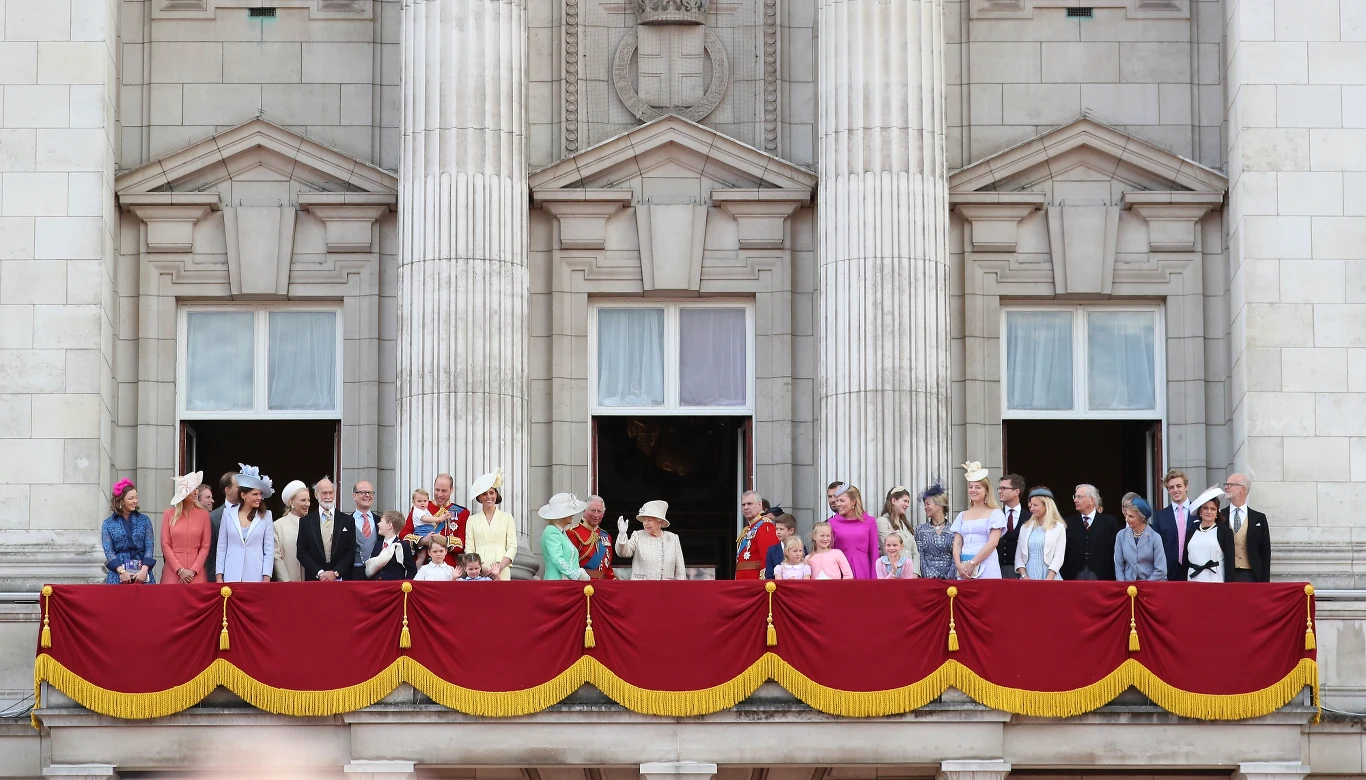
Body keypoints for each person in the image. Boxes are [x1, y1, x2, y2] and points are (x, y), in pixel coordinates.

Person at [215, 465, 274, 583]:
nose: (259, 498)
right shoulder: (228, 514)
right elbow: (222, 547)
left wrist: (267, 576)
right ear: (243, 495)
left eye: (260, 494)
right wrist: (219, 576)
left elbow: (269, 549)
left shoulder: (266, 515)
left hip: (256, 574)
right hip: (231, 573)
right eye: (255, 494)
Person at [950, 462, 1006, 579]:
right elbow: (957, 543)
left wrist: (973, 563)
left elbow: (992, 543)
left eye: (978, 487)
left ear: (986, 490)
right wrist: (958, 564)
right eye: (971, 487)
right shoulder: (962, 515)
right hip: (964, 568)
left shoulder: (995, 513)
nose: (973, 490)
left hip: (987, 565)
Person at [296, 477, 357, 582]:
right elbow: (302, 552)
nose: (328, 496)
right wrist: (320, 573)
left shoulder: (348, 520)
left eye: (331, 492)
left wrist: (336, 572)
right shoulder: (306, 522)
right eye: (324, 493)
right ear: (316, 495)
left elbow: (351, 551)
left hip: (341, 580)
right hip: (315, 579)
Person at [1062, 484, 1122, 580]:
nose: (1075, 500)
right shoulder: (1068, 523)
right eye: (1075, 496)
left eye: (1079, 497)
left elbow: (1116, 552)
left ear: (1091, 500)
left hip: (1102, 576)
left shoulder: (1110, 522)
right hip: (1074, 576)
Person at [466, 468, 518, 580]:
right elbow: (469, 549)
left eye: (491, 492)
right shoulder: (472, 520)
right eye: (484, 494)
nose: (488, 497)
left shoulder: (507, 517)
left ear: (496, 494)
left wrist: (500, 567)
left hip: (502, 569)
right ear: (479, 497)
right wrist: (480, 568)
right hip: (479, 572)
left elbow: (512, 546)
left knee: (502, 597)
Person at [614, 500, 687, 580]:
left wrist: (680, 589)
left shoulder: (673, 538)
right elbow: (623, 553)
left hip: (667, 589)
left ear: (660, 522)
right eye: (644, 520)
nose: (645, 523)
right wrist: (622, 535)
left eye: (649, 520)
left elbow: (680, 571)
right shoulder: (638, 535)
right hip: (642, 588)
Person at [103, 479, 156, 584]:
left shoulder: (145, 520)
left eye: (136, 497)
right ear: (121, 501)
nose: (135, 501)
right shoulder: (108, 523)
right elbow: (109, 551)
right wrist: (121, 572)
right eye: (131, 498)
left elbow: (149, 548)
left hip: (142, 572)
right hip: (118, 574)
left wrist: (144, 570)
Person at [161, 471, 210, 584]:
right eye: (192, 489)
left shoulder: (204, 515)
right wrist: (180, 570)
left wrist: (193, 570)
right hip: (173, 572)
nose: (196, 492)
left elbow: (205, 546)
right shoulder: (168, 514)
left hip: (196, 573)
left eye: (196, 489)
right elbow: (165, 545)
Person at [400, 474, 468, 555]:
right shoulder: (419, 508)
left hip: (447, 563)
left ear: (451, 490)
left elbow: (463, 543)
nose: (439, 494)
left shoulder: (462, 513)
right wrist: (422, 541)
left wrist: (445, 541)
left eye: (444, 491)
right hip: (423, 562)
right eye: (437, 490)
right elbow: (403, 536)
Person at [1220, 473, 1270, 582]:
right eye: (1226, 484)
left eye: (1230, 484)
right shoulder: (1220, 516)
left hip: (1251, 575)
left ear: (1242, 489)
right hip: (1226, 575)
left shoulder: (1259, 518)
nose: (1226, 487)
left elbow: (1265, 553)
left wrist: (1265, 583)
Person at [1013, 487, 1067, 581]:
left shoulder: (1058, 528)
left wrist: (1048, 580)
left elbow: (1059, 557)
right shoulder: (1025, 528)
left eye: (1035, 505)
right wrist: (1024, 576)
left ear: (1046, 506)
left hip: (1050, 578)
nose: (1031, 509)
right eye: (1031, 505)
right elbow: (1019, 556)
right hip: (1028, 578)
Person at [1183, 486, 1234, 582]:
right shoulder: (1191, 530)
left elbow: (1230, 564)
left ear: (1217, 512)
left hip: (1216, 580)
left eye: (1213, 509)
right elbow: (1185, 559)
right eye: (1205, 508)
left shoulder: (1225, 532)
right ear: (1200, 511)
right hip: (1193, 580)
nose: (1209, 512)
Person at [829, 483, 879, 579]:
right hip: (841, 571)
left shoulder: (869, 521)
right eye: (837, 501)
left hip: (864, 570)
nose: (838, 504)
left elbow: (874, 552)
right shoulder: (832, 522)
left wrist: (874, 579)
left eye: (842, 501)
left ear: (853, 502)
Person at [1114, 492, 1167, 582]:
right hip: (1127, 587)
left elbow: (1161, 570)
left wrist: (1145, 586)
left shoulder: (1155, 537)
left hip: (1150, 587)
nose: (1127, 519)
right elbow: (1118, 566)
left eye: (1131, 516)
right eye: (1126, 515)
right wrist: (1123, 586)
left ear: (1141, 517)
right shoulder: (1121, 535)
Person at [1151, 469, 1193, 582]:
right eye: (1171, 487)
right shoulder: (1160, 516)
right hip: (1168, 573)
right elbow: (1155, 547)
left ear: (1186, 487)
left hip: (1194, 571)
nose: (1175, 490)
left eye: (1179, 486)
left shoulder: (1198, 512)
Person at [539, 492, 591, 581]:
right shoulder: (551, 531)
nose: (573, 514)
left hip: (566, 584)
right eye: (569, 512)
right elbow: (557, 559)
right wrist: (576, 574)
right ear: (560, 515)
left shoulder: (562, 532)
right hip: (556, 583)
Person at [566, 495, 615, 579]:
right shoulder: (572, 533)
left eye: (599, 511)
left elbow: (608, 568)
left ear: (603, 514)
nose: (596, 515)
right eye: (593, 511)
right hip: (583, 584)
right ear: (584, 510)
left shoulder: (606, 536)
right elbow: (568, 565)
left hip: (603, 585)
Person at [915, 481, 955, 579]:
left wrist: (948, 577)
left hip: (950, 582)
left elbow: (956, 556)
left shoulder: (953, 529)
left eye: (928, 504)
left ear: (939, 505)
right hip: (927, 580)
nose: (925, 507)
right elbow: (920, 556)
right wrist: (929, 576)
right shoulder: (920, 530)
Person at [735, 490, 779, 580]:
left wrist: (764, 582)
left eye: (749, 504)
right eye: (743, 505)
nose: (746, 507)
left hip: (754, 581)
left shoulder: (765, 525)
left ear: (760, 505)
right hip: (743, 580)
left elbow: (767, 557)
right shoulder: (749, 528)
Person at [271, 480, 309, 582]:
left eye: (308, 500)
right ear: (291, 502)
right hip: (288, 583)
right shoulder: (278, 525)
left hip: (311, 582)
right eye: (303, 500)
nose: (307, 504)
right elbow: (277, 557)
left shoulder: (313, 523)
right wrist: (286, 582)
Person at [206, 471, 239, 582]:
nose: (243, 490)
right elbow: (211, 553)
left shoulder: (253, 514)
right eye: (239, 487)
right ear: (227, 490)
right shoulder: (213, 517)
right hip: (222, 579)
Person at [366, 511, 417, 580]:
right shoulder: (378, 544)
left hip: (394, 587)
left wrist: (405, 585)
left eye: (381, 521)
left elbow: (412, 570)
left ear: (389, 525)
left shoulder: (402, 546)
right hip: (377, 586)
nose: (378, 524)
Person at [996, 473, 1026, 579]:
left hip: (1024, 571)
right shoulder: (995, 516)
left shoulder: (1030, 517)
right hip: (998, 570)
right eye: (999, 488)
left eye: (1004, 488)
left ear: (1016, 491)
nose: (1000, 491)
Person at [351, 481, 379, 581]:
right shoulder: (345, 522)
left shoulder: (380, 521)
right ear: (354, 496)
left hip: (377, 575)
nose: (367, 495)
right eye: (363, 492)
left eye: (370, 493)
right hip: (353, 575)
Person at [877, 486, 917, 554]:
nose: (907, 505)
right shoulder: (882, 522)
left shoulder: (905, 524)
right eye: (905, 501)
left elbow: (915, 552)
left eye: (908, 502)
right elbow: (889, 551)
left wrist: (913, 564)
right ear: (893, 501)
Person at [762, 513, 802, 580]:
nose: (778, 532)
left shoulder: (801, 548)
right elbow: (769, 575)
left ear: (791, 531)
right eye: (776, 529)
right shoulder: (772, 550)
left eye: (781, 529)